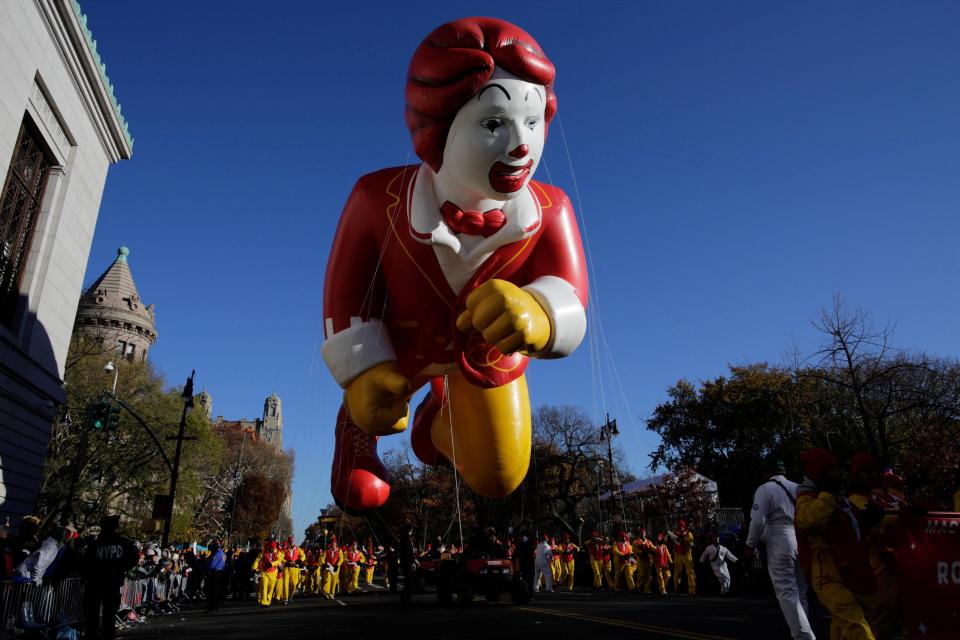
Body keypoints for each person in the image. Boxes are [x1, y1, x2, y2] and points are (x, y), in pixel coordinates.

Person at [323, 17, 589, 516]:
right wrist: (363, 370)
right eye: (494, 123)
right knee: (361, 482)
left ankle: (438, 422)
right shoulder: (375, 197)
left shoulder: (552, 210)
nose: (521, 145)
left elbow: (571, 293)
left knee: (499, 475)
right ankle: (356, 428)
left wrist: (540, 311)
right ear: (437, 124)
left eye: (532, 122)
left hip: (486, 354)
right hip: (396, 351)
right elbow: (346, 291)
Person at [796, 447, 881, 640]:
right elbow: (807, 520)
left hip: (851, 571)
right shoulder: (809, 498)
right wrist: (827, 494)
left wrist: (870, 520)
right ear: (823, 473)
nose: (839, 473)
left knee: (851, 624)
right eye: (834, 469)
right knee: (854, 624)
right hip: (828, 575)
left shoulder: (841, 499)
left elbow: (854, 528)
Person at [745, 457, 816, 640]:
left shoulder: (765, 489)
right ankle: (801, 630)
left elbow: (757, 521)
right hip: (802, 538)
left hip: (780, 538)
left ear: (766, 473)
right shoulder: (798, 488)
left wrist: (750, 544)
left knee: (786, 591)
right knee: (801, 591)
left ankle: (804, 636)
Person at [846, 453, 902, 640]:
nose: (872, 475)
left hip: (901, 566)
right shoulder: (853, 499)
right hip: (876, 568)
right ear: (857, 475)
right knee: (879, 622)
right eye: (866, 472)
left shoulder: (889, 495)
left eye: (874, 470)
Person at [82, 515, 138, 640]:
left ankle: (93, 635)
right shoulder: (122, 543)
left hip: (96, 582)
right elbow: (134, 557)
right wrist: (122, 568)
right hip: (110, 582)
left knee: (94, 614)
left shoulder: (96, 543)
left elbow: (86, 561)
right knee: (108, 614)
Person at [669, 520, 696, 595]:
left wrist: (684, 538)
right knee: (677, 573)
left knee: (690, 573)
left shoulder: (688, 533)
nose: (681, 528)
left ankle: (692, 590)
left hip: (686, 554)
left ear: (684, 526)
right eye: (679, 526)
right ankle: (676, 589)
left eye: (682, 526)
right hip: (677, 554)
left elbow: (691, 542)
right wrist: (669, 537)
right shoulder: (675, 532)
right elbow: (670, 541)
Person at [254, 541, 282, 607]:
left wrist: (272, 564)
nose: (272, 549)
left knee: (271, 588)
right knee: (264, 586)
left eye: (273, 548)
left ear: (275, 547)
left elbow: (279, 560)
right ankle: (264, 602)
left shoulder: (278, 553)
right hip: (264, 572)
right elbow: (257, 560)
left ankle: (268, 601)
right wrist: (254, 568)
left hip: (273, 573)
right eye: (271, 548)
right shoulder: (263, 553)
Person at [632, 528, 655, 594]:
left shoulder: (648, 541)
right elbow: (634, 549)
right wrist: (641, 552)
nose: (643, 534)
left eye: (644, 533)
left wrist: (655, 550)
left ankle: (647, 589)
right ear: (639, 534)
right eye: (641, 533)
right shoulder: (635, 542)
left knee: (648, 575)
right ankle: (638, 587)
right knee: (641, 574)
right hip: (640, 559)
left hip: (648, 560)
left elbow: (653, 548)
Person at [205, 542, 226, 611]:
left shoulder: (217, 554)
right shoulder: (222, 553)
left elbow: (212, 564)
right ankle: (214, 605)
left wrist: (207, 568)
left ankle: (212, 606)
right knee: (216, 590)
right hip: (220, 572)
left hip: (215, 573)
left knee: (212, 590)